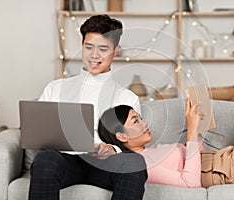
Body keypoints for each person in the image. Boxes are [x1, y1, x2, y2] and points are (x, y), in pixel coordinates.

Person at [29, 14, 147, 200]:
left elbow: (132, 144)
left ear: (116, 50)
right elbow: (39, 134)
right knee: (45, 159)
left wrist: (111, 149)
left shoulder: (127, 97)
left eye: (103, 49)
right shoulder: (55, 88)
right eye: (89, 47)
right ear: (82, 46)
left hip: (105, 165)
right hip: (66, 162)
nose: (94, 55)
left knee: (135, 161)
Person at [98, 84, 234, 188]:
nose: (144, 124)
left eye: (140, 118)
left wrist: (199, 125)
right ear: (121, 136)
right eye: (135, 121)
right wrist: (191, 132)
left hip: (230, 160)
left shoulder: (155, 150)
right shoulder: (141, 164)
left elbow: (196, 158)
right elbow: (190, 182)